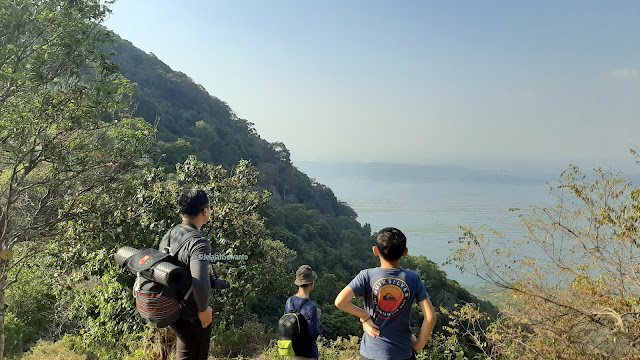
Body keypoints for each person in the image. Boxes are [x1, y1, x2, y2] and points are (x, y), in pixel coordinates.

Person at [334, 227, 437, 360]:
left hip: (371, 352)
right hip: (402, 353)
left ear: (375, 251)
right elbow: (430, 317)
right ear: (405, 252)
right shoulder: (413, 278)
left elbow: (340, 302)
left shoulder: (366, 276)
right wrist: (418, 345)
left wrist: (365, 316)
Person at [159, 189, 214, 360]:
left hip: (170, 306)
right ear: (205, 211)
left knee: (185, 352)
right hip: (190, 312)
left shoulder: (170, 234)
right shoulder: (198, 242)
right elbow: (200, 282)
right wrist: (204, 309)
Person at [284, 265, 322, 360]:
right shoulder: (311, 307)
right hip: (307, 354)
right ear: (311, 283)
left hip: (291, 354)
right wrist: (317, 317)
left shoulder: (289, 302)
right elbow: (313, 335)